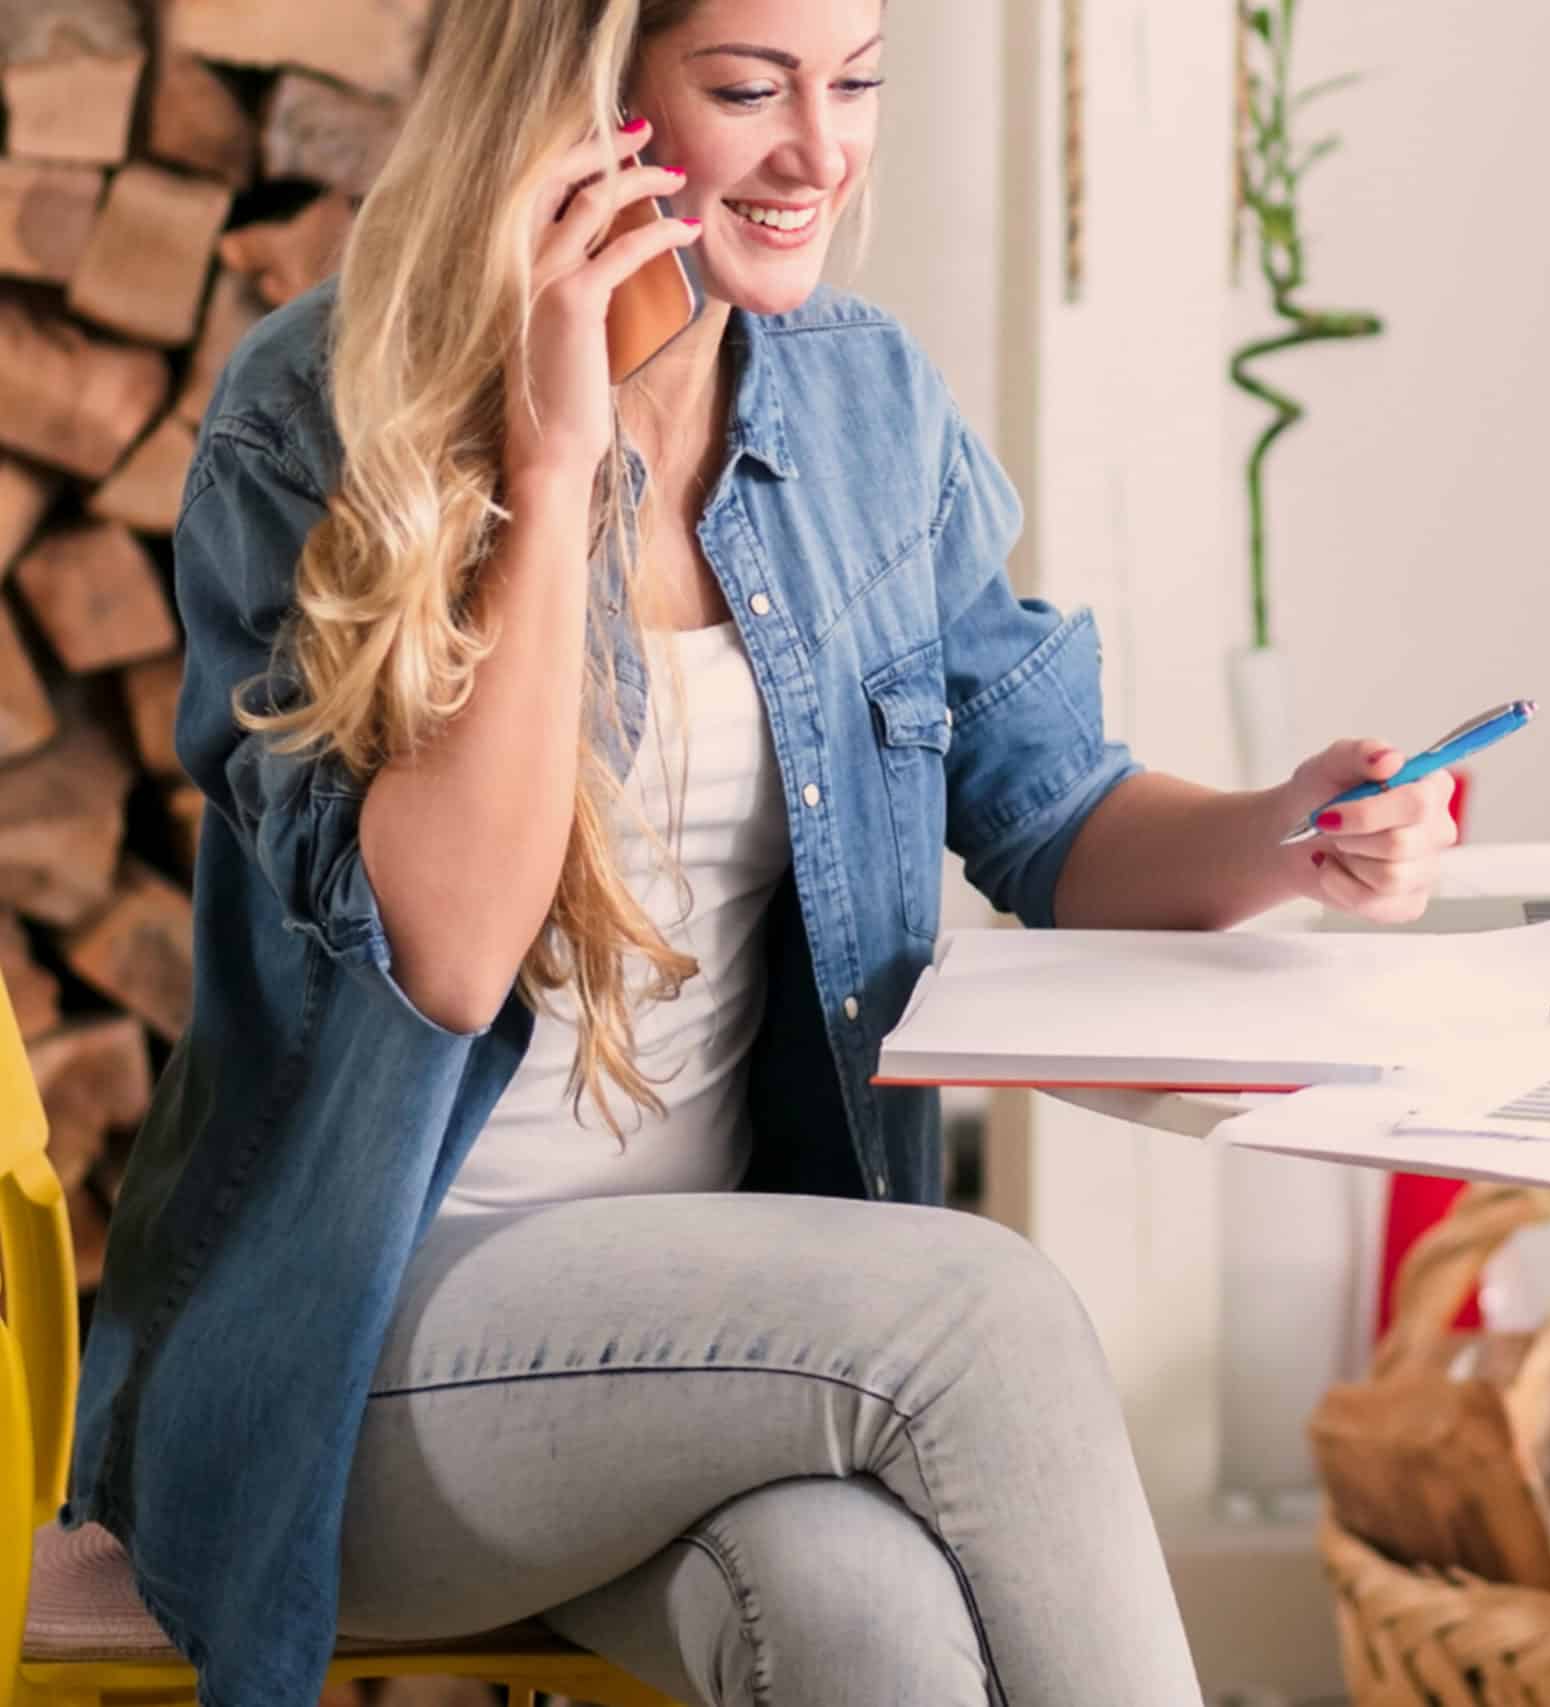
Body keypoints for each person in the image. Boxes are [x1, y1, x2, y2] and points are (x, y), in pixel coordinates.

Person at [61, 1, 1456, 1702]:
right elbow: (447, 951)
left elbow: (1055, 815)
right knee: (981, 1311)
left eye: (856, 82)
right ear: (587, 102)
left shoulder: (867, 409)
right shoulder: (322, 414)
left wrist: (1286, 834)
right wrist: (556, 455)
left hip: (721, 1336)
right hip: (357, 1363)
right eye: (747, 89)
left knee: (865, 1618)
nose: (820, 150)